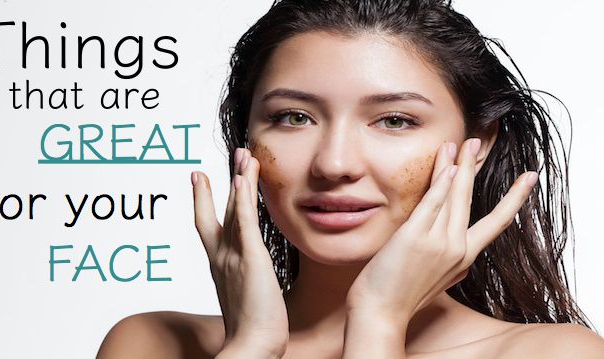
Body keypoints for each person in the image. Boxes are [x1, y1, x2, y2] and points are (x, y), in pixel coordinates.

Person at [97, 0, 604, 357]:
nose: (334, 163)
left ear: (479, 144)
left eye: (394, 120)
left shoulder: (553, 354)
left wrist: (378, 325)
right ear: (245, 138)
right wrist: (251, 346)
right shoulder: (152, 345)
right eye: (294, 117)